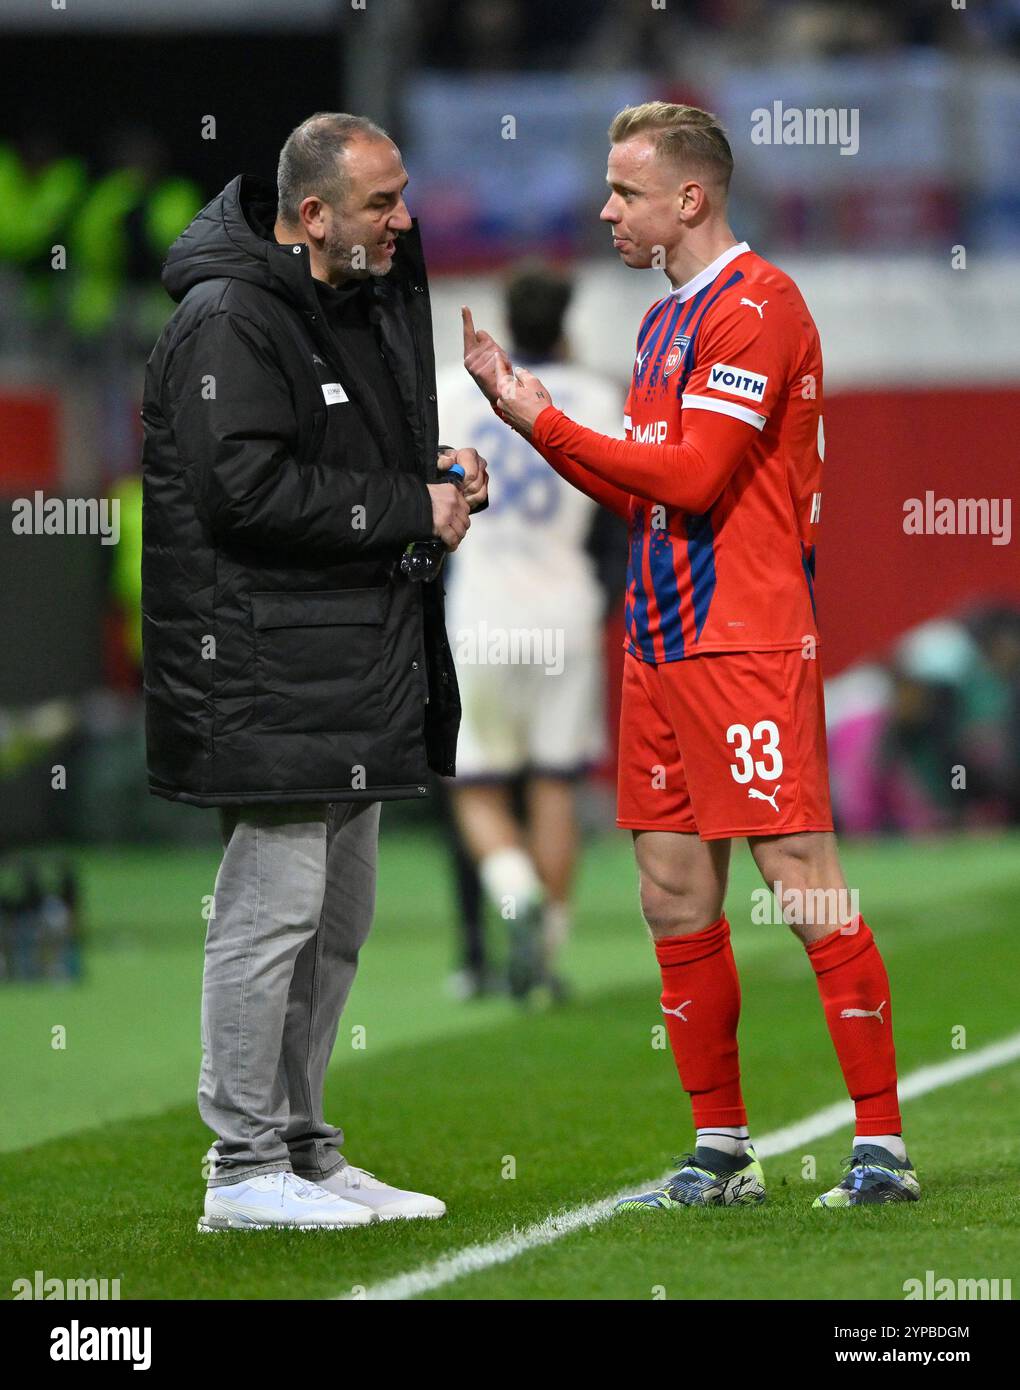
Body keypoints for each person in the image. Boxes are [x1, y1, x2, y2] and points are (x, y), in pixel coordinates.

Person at [462, 101, 917, 1210]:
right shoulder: (664, 324)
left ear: (690, 198)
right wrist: (531, 419)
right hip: (658, 639)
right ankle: (722, 1145)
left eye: (624, 191)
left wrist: (544, 420)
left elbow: (698, 476)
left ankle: (882, 1147)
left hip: (747, 638)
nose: (607, 209)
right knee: (671, 889)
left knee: (800, 883)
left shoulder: (760, 307)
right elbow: (637, 486)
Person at [141, 112, 488, 1231]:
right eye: (383, 202)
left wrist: (431, 474)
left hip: (342, 662)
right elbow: (242, 491)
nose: (404, 220)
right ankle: (241, 1167)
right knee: (270, 917)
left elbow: (327, 464)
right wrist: (406, 507)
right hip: (265, 670)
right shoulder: (228, 315)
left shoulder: (337, 303)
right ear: (313, 215)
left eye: (402, 196)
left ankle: (302, 1147)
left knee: (337, 920)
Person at [438, 263, 622, 1000]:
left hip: (481, 610)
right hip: (567, 616)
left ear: (507, 323)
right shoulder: (599, 396)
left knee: (476, 785)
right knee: (554, 786)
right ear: (568, 320)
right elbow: (621, 504)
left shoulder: (457, 393)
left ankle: (514, 894)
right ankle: (544, 957)